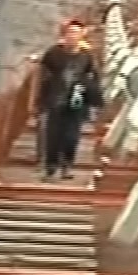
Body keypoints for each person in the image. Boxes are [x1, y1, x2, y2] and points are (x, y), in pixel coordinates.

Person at [36, 18, 103, 180]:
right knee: (53, 135)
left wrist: (94, 100)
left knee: (72, 136)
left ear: (82, 36)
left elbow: (93, 77)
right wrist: (40, 101)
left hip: (76, 100)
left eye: (77, 33)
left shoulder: (86, 56)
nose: (73, 36)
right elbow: (43, 77)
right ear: (64, 34)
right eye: (70, 32)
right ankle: (50, 167)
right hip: (55, 99)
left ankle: (67, 165)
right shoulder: (53, 54)